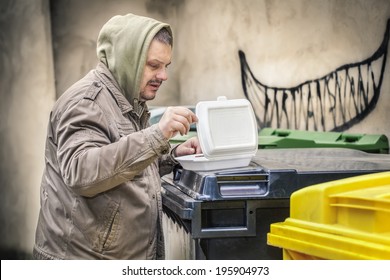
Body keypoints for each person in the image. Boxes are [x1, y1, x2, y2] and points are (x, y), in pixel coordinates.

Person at [33, 13, 201, 260]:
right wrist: (157, 135)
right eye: (154, 65)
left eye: (166, 66)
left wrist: (173, 157)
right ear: (126, 60)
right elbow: (82, 172)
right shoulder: (86, 102)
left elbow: (121, 165)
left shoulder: (128, 99)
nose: (163, 76)